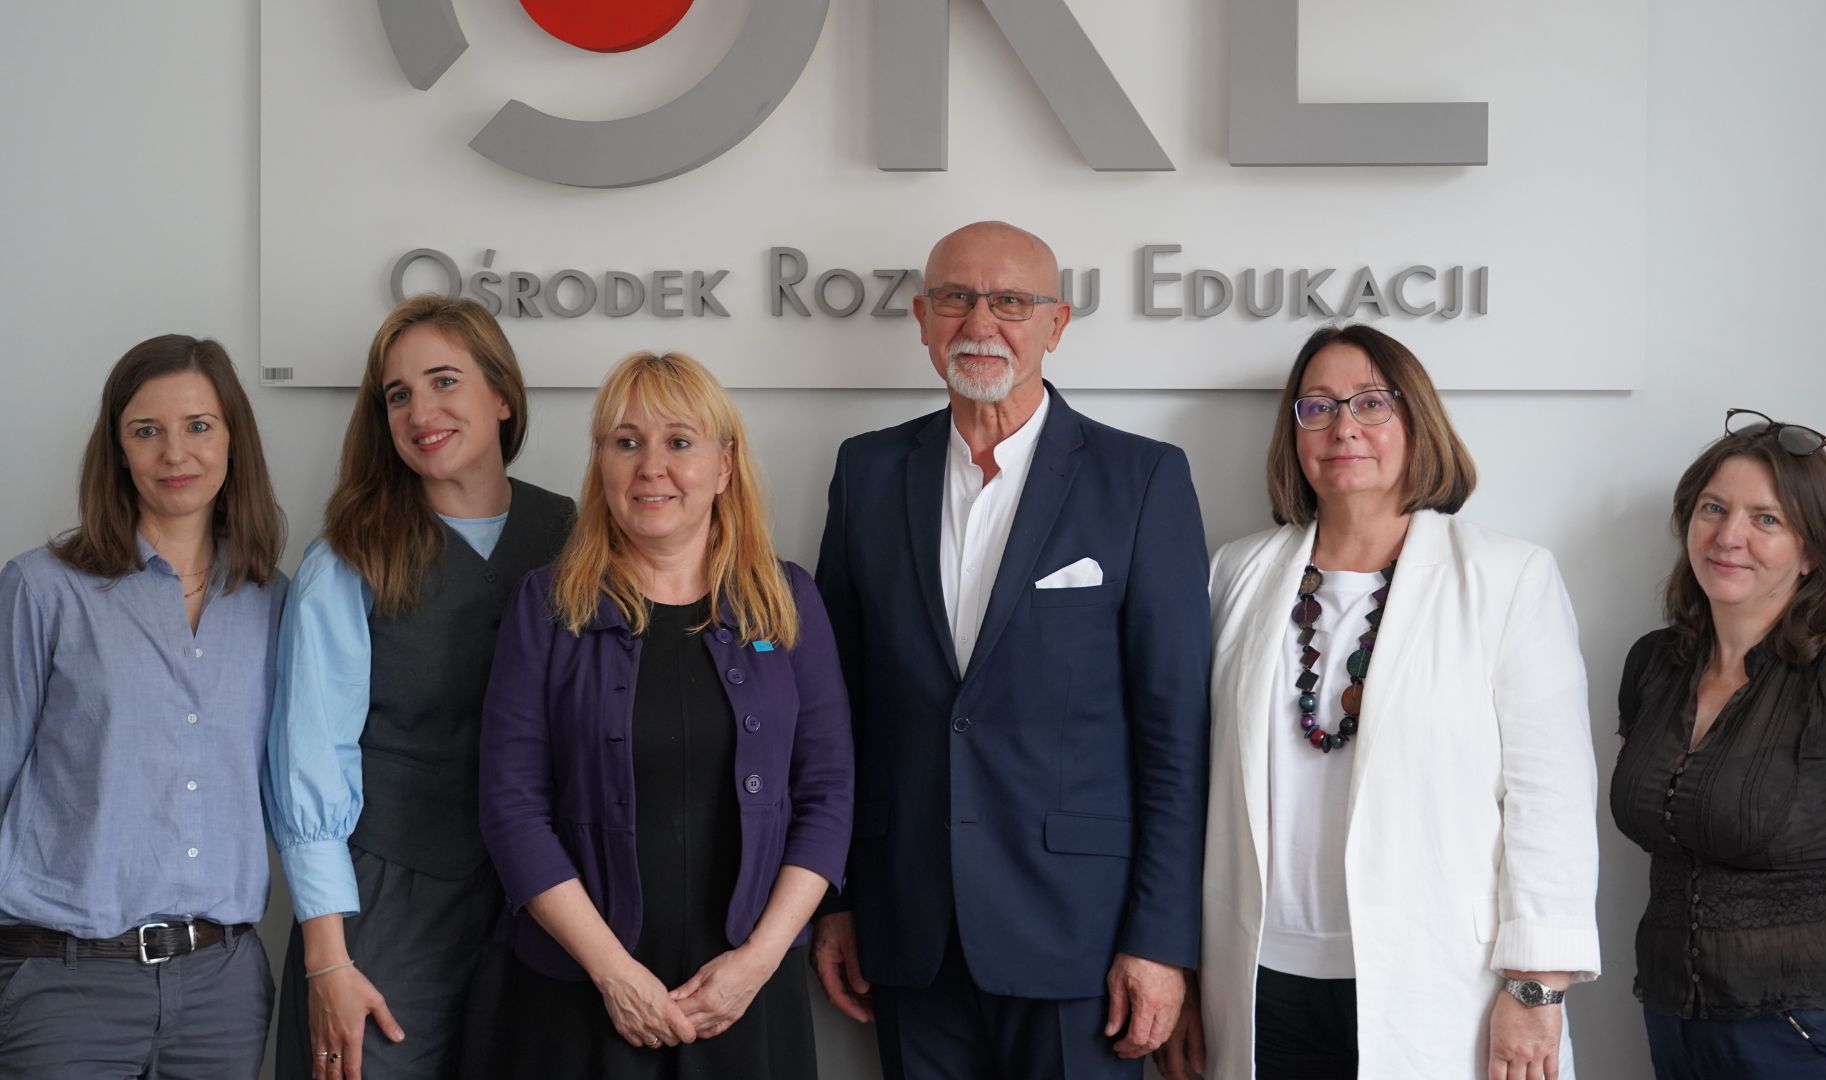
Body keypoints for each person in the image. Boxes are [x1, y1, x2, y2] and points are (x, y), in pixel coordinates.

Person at [809, 220, 1212, 1080]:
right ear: (923, 319)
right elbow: (837, 710)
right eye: (956, 298)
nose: (980, 323)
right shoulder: (867, 472)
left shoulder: (1142, 480)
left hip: (1082, 938)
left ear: (1056, 324)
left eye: (1011, 302)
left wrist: (1161, 940)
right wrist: (834, 898)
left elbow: (1176, 734)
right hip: (907, 925)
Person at [1167, 324, 1602, 1080]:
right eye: (1317, 407)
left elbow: (1550, 797)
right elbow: (1188, 782)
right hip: (1258, 980)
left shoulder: (1507, 579)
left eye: (1371, 403)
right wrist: (1183, 968)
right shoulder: (1233, 575)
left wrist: (1537, 987)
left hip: (1443, 984)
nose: (1343, 428)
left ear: (1416, 421)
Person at [477, 350, 852, 1079]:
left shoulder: (788, 600)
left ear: (724, 465)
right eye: (627, 442)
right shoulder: (546, 606)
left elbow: (829, 793)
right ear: (601, 464)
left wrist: (759, 960)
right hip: (580, 990)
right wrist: (613, 974)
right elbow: (511, 805)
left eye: (679, 441)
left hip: (748, 993)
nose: (651, 467)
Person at [266, 296, 573, 1079]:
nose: (420, 412)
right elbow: (311, 759)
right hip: (388, 906)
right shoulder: (350, 557)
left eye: (444, 381)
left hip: (545, 902)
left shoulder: (574, 537)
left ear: (501, 395)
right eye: (398, 395)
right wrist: (328, 958)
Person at [0, 335, 287, 1079]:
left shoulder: (273, 601)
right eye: (146, 430)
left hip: (222, 988)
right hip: (63, 983)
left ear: (233, 440)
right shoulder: (42, 590)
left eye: (199, 426)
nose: (174, 453)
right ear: (117, 449)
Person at [1612, 410, 1826, 1079]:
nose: (1729, 536)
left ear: (1812, 553)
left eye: (1767, 519)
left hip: (1816, 1030)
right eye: (1713, 508)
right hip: (1675, 1019)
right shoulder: (1654, 666)